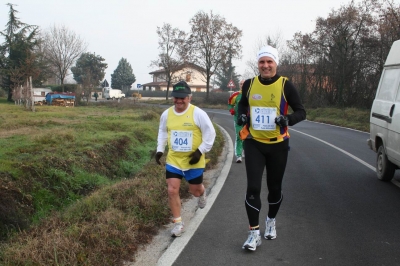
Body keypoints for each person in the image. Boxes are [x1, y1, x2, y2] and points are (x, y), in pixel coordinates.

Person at [237, 45, 306, 251]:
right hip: (254, 143)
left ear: (275, 63)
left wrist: (287, 119)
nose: (265, 66)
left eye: (269, 62)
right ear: (257, 64)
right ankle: (253, 233)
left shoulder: (286, 85)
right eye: (262, 62)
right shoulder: (249, 84)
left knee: (274, 189)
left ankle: (271, 220)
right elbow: (242, 104)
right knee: (253, 188)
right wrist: (242, 115)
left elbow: (302, 112)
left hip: (278, 145)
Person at [155, 80, 216, 237]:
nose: (179, 101)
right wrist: (160, 150)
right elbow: (162, 132)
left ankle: (202, 194)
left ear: (189, 97)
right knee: (172, 189)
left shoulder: (198, 113)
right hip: (174, 160)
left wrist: (200, 151)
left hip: (193, 160)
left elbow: (210, 134)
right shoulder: (166, 114)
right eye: (176, 97)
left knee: (194, 191)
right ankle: (178, 223)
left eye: (182, 97)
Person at [228, 80, 245, 163]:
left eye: (244, 84)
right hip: (238, 119)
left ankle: (245, 151)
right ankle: (238, 155)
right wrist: (231, 110)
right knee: (239, 136)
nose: (242, 85)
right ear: (239, 85)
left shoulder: (251, 94)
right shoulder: (235, 95)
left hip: (248, 120)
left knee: (247, 137)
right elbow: (230, 103)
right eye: (241, 84)